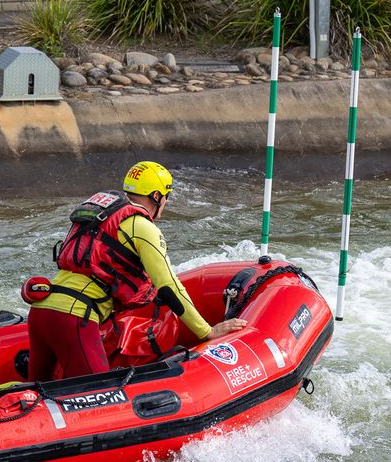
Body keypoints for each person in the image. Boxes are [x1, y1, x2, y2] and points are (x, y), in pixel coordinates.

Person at [25, 161, 246, 381]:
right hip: (74, 317)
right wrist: (206, 332)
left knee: (35, 390)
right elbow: (168, 285)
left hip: (41, 311)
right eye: (167, 196)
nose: (167, 202)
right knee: (98, 395)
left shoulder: (101, 215)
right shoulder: (142, 226)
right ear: (157, 196)